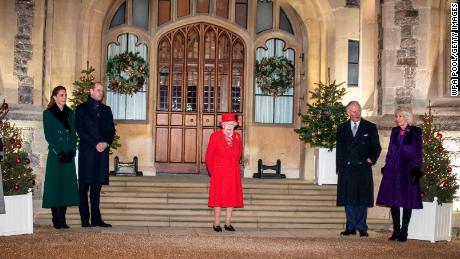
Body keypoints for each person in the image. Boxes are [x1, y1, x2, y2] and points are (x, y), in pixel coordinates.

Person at [376, 107, 423, 242]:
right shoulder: (395, 131)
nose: (397, 118)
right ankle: (396, 231)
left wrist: (416, 169)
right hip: (393, 169)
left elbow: (418, 153)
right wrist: (387, 165)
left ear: (407, 117)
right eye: (397, 116)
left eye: (400, 116)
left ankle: (404, 232)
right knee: (393, 201)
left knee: (407, 201)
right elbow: (390, 150)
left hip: (408, 170)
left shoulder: (416, 131)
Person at [336, 101, 381, 237]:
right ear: (348, 112)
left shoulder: (370, 127)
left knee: (362, 198)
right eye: (353, 111)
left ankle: (362, 227)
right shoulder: (342, 128)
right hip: (347, 167)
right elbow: (339, 149)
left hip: (363, 167)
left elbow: (376, 147)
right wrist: (339, 166)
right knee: (348, 198)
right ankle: (350, 227)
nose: (356, 114)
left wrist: (371, 159)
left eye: (358, 111)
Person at [76, 82, 115, 228]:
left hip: (101, 154)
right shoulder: (81, 109)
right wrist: (95, 144)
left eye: (102, 91)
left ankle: (96, 219)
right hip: (88, 152)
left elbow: (111, 130)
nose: (101, 93)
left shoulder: (106, 109)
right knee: (84, 187)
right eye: (98, 90)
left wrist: (106, 142)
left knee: (97, 188)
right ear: (91, 91)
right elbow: (80, 129)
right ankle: (85, 220)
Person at [42, 85, 79, 229]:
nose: (65, 97)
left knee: (66, 186)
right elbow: (48, 135)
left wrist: (72, 150)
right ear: (55, 97)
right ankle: (55, 218)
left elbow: (73, 133)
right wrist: (60, 152)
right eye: (62, 95)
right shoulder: (48, 113)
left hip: (68, 155)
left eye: (65, 95)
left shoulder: (70, 113)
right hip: (56, 155)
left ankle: (63, 219)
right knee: (54, 185)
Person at [205, 113, 243, 232]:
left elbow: (239, 154)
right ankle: (216, 223)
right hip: (219, 172)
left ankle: (227, 223)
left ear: (235, 126)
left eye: (232, 124)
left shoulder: (237, 137)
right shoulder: (215, 136)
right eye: (227, 124)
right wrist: (213, 172)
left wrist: (234, 167)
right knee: (218, 198)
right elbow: (209, 155)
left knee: (231, 198)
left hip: (232, 172)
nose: (229, 126)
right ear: (222, 125)